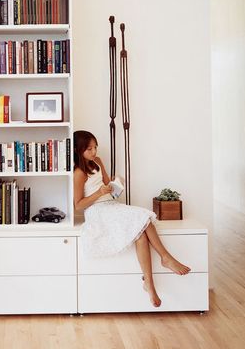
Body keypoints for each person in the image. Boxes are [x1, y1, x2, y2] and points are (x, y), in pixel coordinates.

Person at [73, 130, 190, 307]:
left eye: (95, 147)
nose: (94, 152)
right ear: (77, 150)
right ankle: (165, 257)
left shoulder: (97, 161)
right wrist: (99, 193)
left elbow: (107, 184)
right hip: (97, 211)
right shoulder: (79, 172)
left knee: (141, 233)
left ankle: (149, 284)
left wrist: (115, 183)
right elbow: (79, 205)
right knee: (143, 217)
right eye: (89, 149)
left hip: (111, 205)